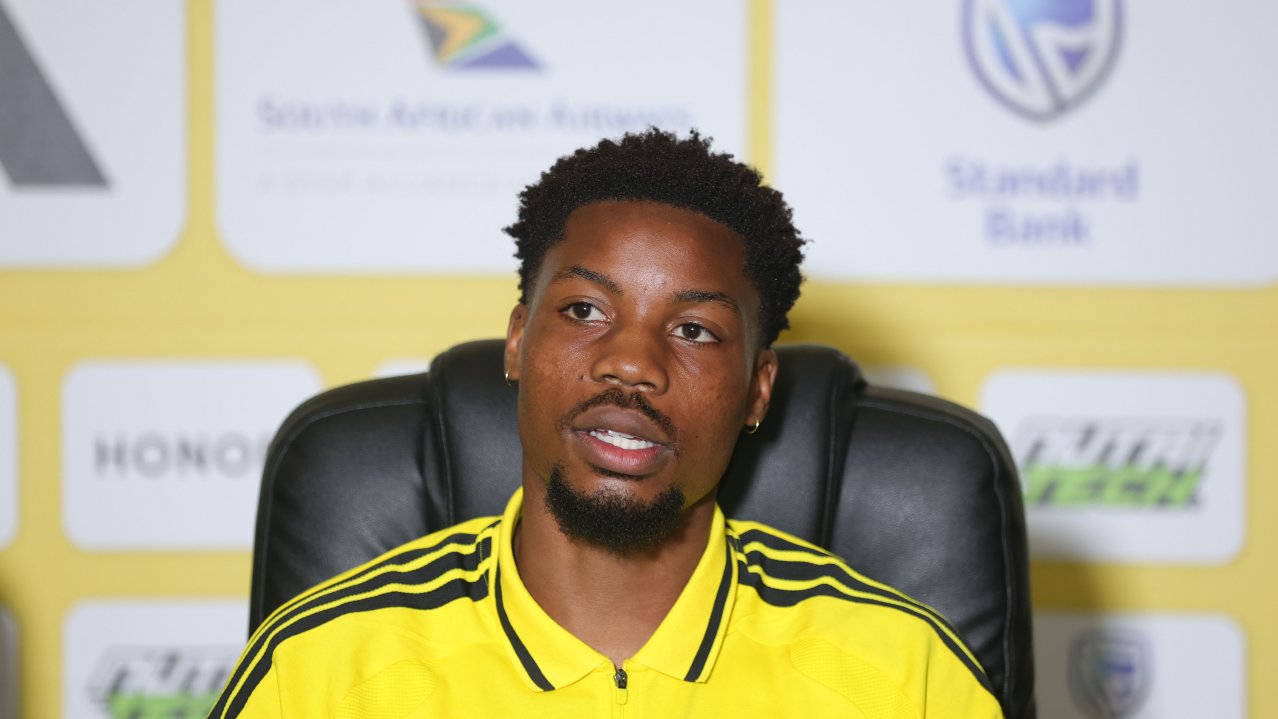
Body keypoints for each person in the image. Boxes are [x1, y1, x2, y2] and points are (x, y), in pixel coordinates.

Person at [208, 129, 1003, 718]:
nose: (632, 363)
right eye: (585, 309)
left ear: (759, 389)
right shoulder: (318, 669)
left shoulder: (905, 675)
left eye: (694, 329)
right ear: (519, 339)